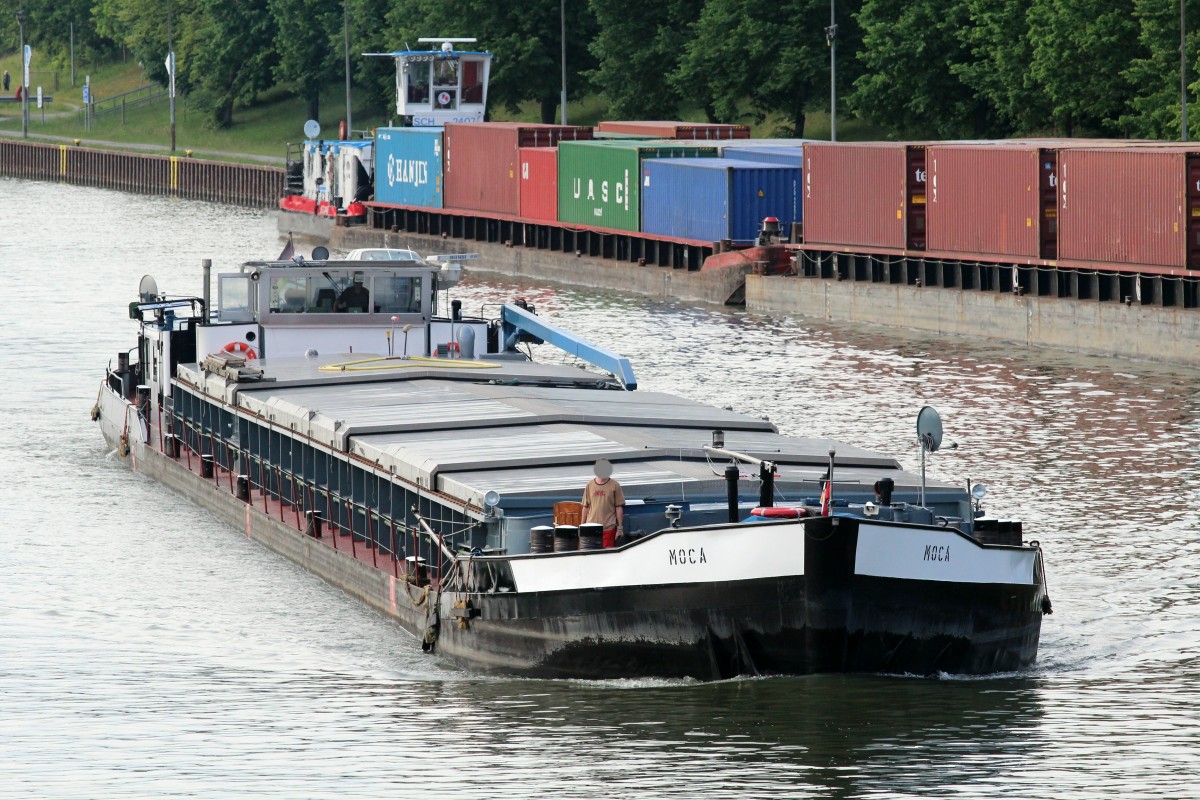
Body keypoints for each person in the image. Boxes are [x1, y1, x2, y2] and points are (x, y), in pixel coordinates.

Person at [581, 458, 625, 548]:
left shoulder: (615, 485)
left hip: (608, 529)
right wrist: (582, 527)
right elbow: (585, 507)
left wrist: (620, 528)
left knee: (607, 556)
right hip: (591, 529)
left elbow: (618, 507)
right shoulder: (589, 485)